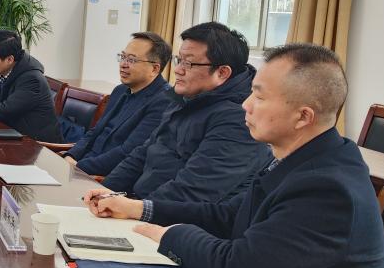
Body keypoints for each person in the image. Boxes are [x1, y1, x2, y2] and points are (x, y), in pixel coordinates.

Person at [85, 43, 384, 268]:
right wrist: (140, 209)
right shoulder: (300, 159)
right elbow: (228, 215)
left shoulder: (328, 188)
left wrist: (170, 235)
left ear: (303, 116)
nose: (245, 104)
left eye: (259, 96)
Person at [101, 22, 269, 203]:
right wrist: (105, 192)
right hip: (142, 204)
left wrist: (135, 208)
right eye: (179, 60)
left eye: (188, 63)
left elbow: (192, 191)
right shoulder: (185, 98)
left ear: (222, 72)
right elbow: (142, 153)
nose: (177, 70)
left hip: (173, 215)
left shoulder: (239, 120)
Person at [62, 32, 173, 176]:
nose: (123, 64)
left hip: (102, 177)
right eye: (123, 57)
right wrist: (71, 155)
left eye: (132, 60)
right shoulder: (120, 90)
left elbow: (128, 152)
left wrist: (78, 167)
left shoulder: (164, 101)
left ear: (154, 69)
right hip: (81, 166)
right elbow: (95, 132)